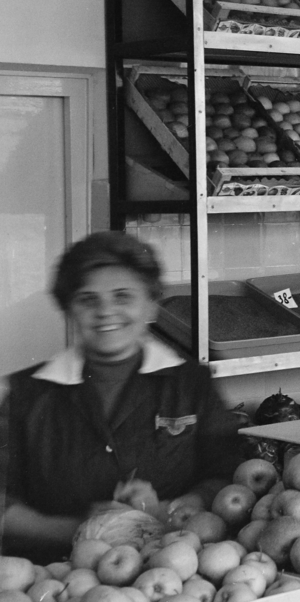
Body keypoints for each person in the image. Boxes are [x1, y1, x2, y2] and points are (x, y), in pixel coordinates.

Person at [2, 232, 242, 557]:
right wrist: (83, 530)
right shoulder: (25, 393)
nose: (105, 311)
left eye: (122, 296)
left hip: (173, 571)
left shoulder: (190, 383)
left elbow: (226, 474)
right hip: (53, 582)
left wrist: (173, 507)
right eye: (88, 299)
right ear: (68, 308)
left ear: (150, 302)